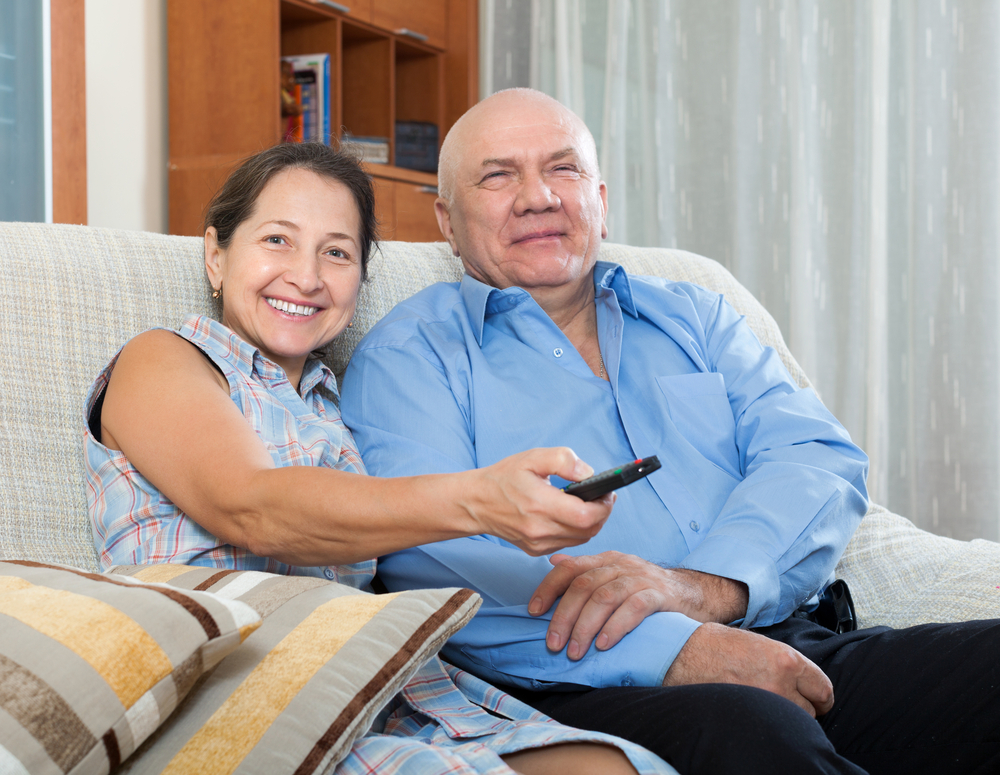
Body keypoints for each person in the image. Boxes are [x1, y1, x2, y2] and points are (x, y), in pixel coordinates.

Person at [340, 89, 1000, 774]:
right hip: (579, 682)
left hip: (784, 630)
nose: (537, 197)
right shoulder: (410, 356)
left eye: (562, 169)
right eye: (498, 175)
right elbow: (431, 566)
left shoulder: (697, 313)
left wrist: (705, 586)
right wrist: (676, 646)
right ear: (447, 220)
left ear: (600, 197)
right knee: (754, 734)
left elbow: (817, 457)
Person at [83, 141, 675, 775]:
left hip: (384, 689)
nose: (306, 277)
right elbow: (251, 506)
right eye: (278, 240)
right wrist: (481, 500)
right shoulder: (164, 358)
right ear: (216, 256)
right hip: (238, 698)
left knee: (623, 766)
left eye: (336, 253)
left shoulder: (338, 412)